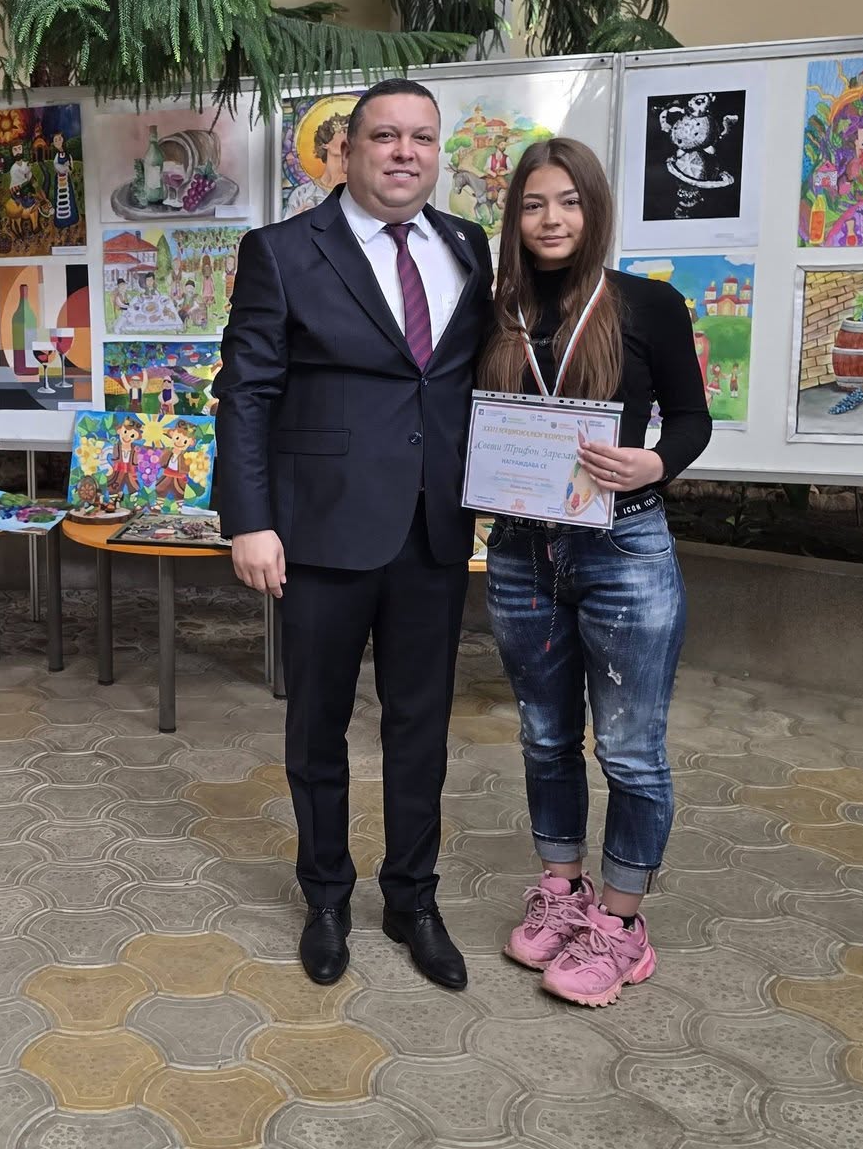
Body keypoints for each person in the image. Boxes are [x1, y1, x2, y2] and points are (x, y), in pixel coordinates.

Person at [214, 78, 490, 990]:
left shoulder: (469, 245)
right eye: (385, 136)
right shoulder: (284, 251)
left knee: (422, 728)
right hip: (321, 531)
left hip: (433, 530)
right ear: (347, 150)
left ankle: (412, 898)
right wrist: (249, 520)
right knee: (318, 726)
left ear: (436, 152)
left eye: (421, 138)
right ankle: (327, 896)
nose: (404, 152)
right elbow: (245, 393)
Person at [477, 137, 709, 1007]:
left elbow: (690, 418)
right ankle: (562, 890)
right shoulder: (494, 311)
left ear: (595, 210)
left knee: (630, 749)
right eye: (535, 203)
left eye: (569, 202)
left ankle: (620, 925)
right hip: (520, 550)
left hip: (623, 547)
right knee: (544, 736)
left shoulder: (648, 304)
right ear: (515, 216)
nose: (552, 219)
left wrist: (655, 463)